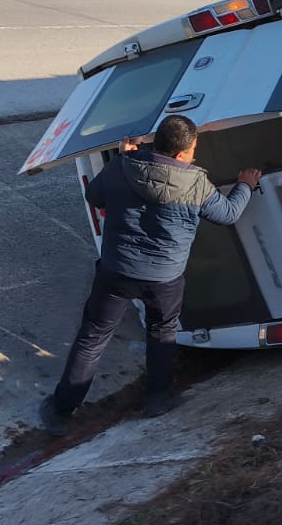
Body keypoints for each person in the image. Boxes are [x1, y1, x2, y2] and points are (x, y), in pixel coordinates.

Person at [40, 114, 261, 433]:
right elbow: (227, 214)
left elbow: (95, 197)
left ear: (156, 143)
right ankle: (158, 398)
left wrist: (123, 159)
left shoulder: (122, 166)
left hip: (117, 271)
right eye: (193, 149)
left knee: (93, 337)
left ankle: (62, 412)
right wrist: (245, 185)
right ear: (183, 152)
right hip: (164, 278)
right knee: (161, 333)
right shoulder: (195, 183)